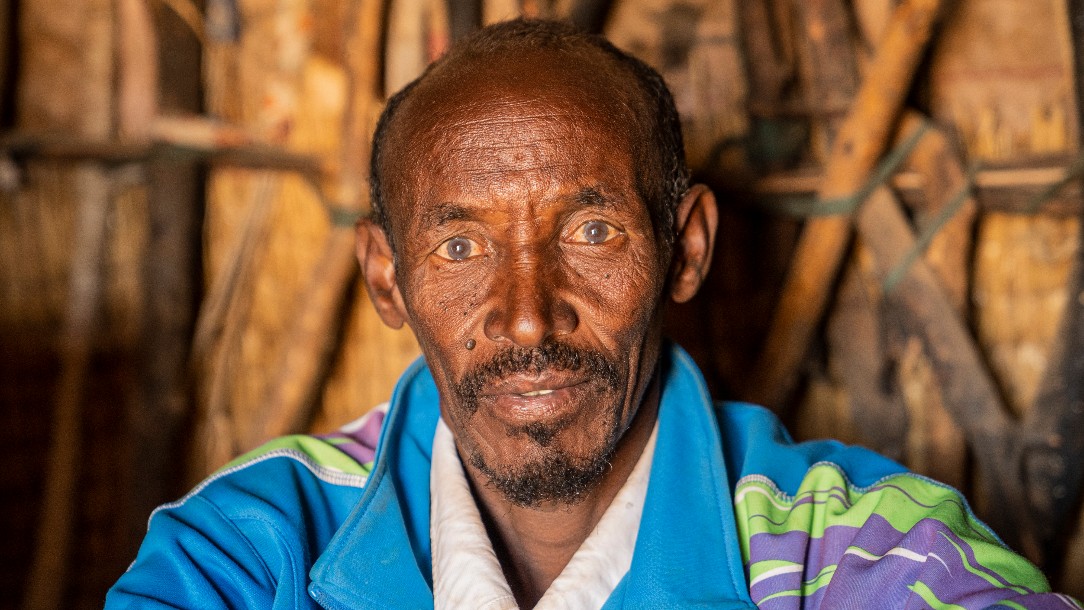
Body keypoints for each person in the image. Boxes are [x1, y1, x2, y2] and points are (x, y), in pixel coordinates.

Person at [107, 19, 1077, 609]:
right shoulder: (256, 542)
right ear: (387, 277)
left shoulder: (863, 549)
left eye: (592, 232)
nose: (527, 318)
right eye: (459, 247)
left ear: (686, 247)